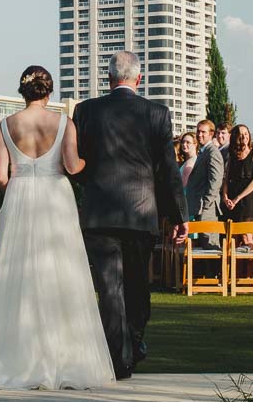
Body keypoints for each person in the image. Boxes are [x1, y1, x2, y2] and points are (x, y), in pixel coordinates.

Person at [0, 64, 111, 390]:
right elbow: (72, 166)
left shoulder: (4, 125)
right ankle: (63, 357)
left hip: (19, 199)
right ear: (49, 90)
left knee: (19, 275)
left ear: (22, 90)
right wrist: (91, 159)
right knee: (61, 274)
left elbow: (1, 178)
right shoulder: (64, 123)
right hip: (55, 196)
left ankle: (16, 356)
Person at [72, 52, 188, 382]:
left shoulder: (86, 111)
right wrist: (179, 215)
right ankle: (131, 345)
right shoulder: (157, 113)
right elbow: (168, 169)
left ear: (109, 79)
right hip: (141, 212)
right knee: (138, 285)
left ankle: (119, 355)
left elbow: (77, 162)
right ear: (139, 79)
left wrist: (91, 185)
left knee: (109, 287)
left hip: (100, 212)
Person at [185, 118, 225, 247]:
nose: (199, 135)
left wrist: (206, 203)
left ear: (211, 134)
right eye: (198, 131)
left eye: (203, 132)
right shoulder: (204, 152)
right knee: (203, 246)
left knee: (210, 246)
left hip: (207, 209)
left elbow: (216, 180)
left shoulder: (213, 153)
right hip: (199, 207)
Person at [222, 124, 253, 245]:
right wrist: (225, 197)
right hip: (232, 199)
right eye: (241, 134)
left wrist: (238, 198)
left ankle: (251, 263)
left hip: (247, 200)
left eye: (246, 133)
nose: (244, 136)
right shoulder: (232, 154)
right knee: (233, 239)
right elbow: (226, 178)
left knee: (246, 238)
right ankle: (235, 264)